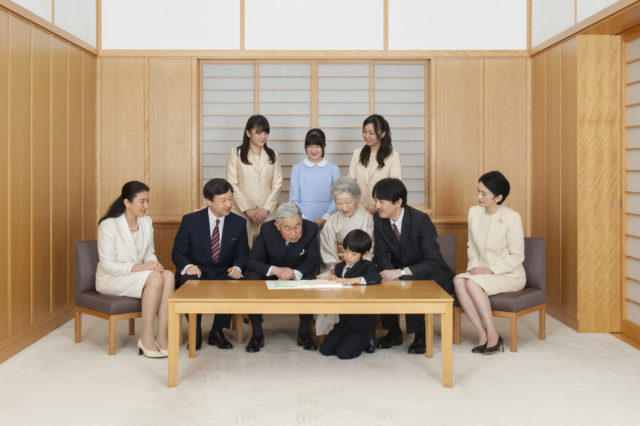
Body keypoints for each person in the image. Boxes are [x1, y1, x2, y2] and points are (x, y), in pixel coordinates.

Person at [372, 178, 454, 354]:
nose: (377, 205)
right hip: (399, 269)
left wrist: (401, 273)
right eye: (375, 200)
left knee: (412, 283)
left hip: (431, 272)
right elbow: (380, 253)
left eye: (381, 201)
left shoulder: (420, 220)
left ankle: (420, 335)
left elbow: (433, 260)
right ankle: (393, 332)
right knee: (381, 278)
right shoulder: (379, 220)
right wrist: (389, 273)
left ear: (398, 202)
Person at [96, 181, 174, 358]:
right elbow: (108, 265)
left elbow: (149, 253)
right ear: (127, 202)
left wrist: (154, 264)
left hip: (137, 275)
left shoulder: (146, 222)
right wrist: (142, 268)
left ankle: (161, 337)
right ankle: (146, 338)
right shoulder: (108, 225)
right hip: (112, 278)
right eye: (142, 201)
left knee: (168, 275)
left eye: (147, 201)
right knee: (155, 278)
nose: (146, 206)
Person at [171, 178, 249, 351]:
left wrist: (237, 267)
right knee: (189, 282)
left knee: (235, 283)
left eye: (231, 198)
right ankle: (195, 331)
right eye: (223, 200)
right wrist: (188, 266)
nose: (229, 204)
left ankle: (217, 332)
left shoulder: (239, 223)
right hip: (197, 269)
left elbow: (243, 253)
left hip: (224, 270)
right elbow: (178, 252)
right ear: (208, 201)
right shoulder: (190, 220)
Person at [453, 171, 525, 355]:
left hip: (509, 274)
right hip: (482, 271)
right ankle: (482, 334)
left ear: (498, 197)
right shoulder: (474, 212)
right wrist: (474, 269)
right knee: (459, 281)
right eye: (478, 191)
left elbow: (517, 256)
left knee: (471, 283)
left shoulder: (512, 217)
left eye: (484, 194)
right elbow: (472, 246)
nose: (479, 197)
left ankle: (493, 335)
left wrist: (489, 270)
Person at [245, 202, 320, 353]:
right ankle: (257, 333)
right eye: (288, 228)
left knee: (310, 279)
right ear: (277, 226)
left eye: (298, 226)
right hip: (273, 275)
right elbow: (252, 261)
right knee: (252, 278)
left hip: (298, 274)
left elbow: (313, 261)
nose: (294, 232)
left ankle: (304, 333)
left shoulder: (311, 228)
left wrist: (294, 273)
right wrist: (276, 271)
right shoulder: (266, 229)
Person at [320, 230, 381, 359]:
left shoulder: (367, 266)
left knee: (344, 354)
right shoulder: (339, 267)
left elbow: (376, 277)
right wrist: (332, 278)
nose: (348, 256)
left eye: (353, 254)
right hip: (344, 321)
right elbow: (337, 281)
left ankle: (368, 335)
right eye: (345, 251)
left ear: (364, 254)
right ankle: (347, 337)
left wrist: (353, 280)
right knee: (325, 350)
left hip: (361, 323)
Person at [226, 114, 283, 245]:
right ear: (248, 133)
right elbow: (232, 183)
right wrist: (247, 209)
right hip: (242, 213)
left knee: (265, 249)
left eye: (265, 132)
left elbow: (278, 184)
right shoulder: (236, 153)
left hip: (266, 214)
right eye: (258, 133)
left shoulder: (273, 155)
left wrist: (266, 209)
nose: (262, 136)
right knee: (242, 249)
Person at [319, 177, 374, 274]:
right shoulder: (332, 221)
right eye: (339, 203)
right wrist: (338, 267)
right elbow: (326, 250)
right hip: (336, 269)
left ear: (358, 198)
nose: (344, 207)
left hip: (361, 268)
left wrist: (354, 267)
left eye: (348, 202)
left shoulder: (367, 219)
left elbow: (370, 250)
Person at [348, 114, 401, 214]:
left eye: (371, 133)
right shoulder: (357, 153)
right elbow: (350, 184)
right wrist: (357, 206)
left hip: (383, 212)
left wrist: (376, 208)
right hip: (359, 211)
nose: (366, 136)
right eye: (364, 131)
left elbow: (395, 188)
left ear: (382, 134)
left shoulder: (393, 157)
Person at [289, 128, 340, 229]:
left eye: (317, 146)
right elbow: (293, 199)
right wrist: (304, 219)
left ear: (324, 146)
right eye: (310, 146)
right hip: (302, 221)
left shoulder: (334, 169)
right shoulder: (296, 169)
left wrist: (325, 219)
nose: (313, 150)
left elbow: (337, 198)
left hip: (328, 220)